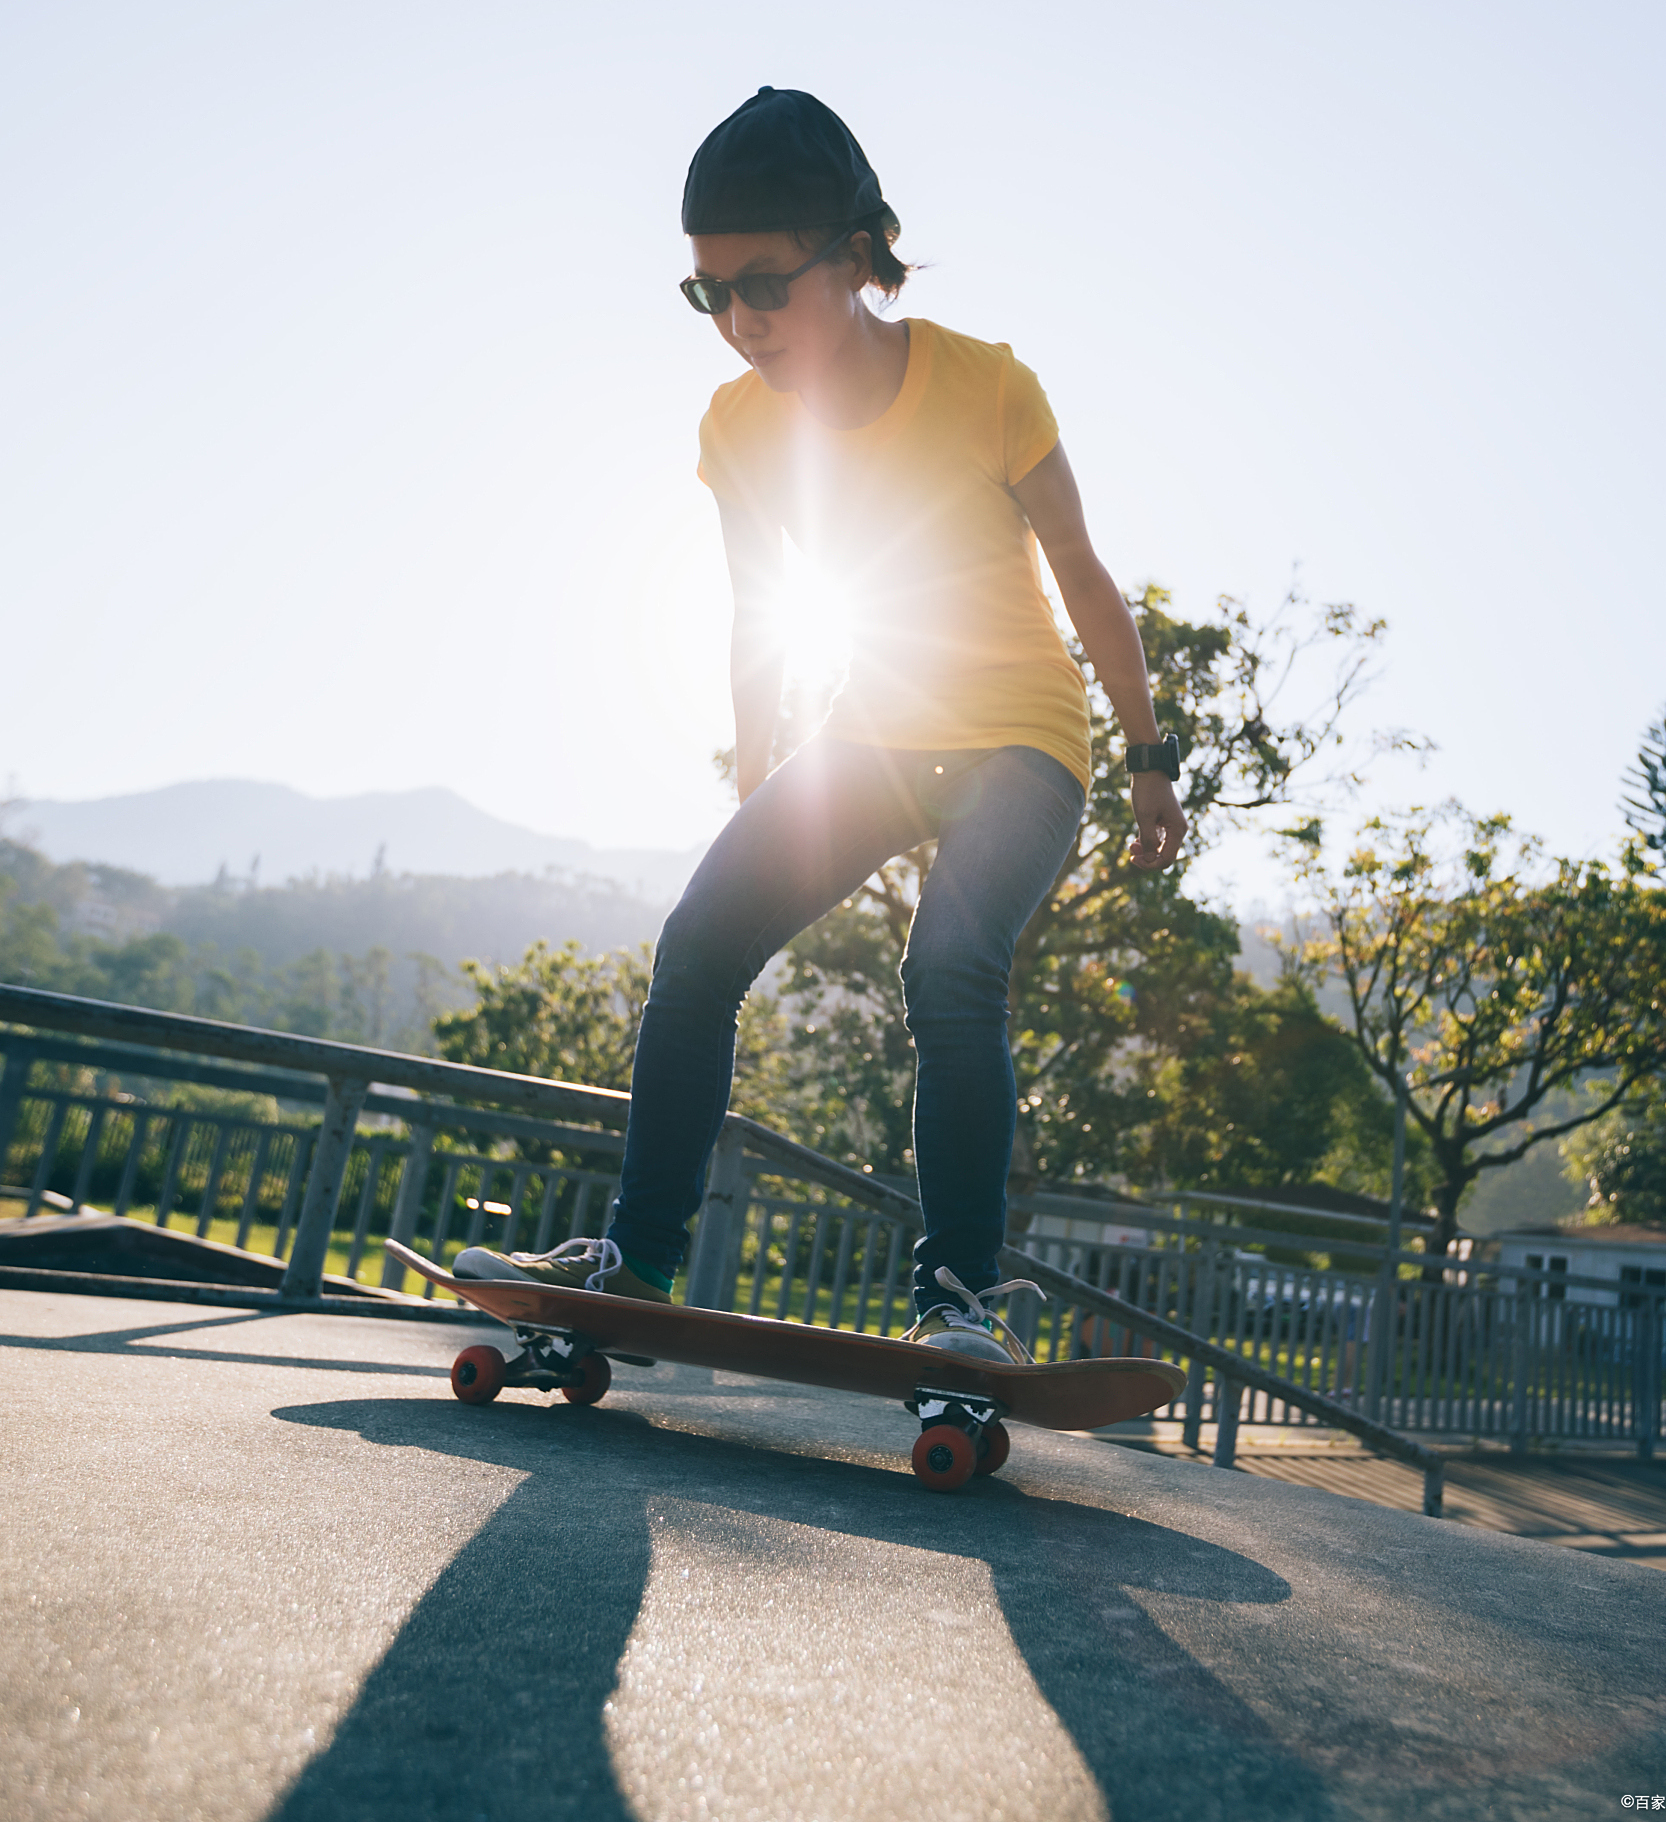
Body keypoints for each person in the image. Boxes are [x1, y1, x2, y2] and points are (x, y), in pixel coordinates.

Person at [456, 87, 1186, 1363]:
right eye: (708, 293)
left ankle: (957, 1299)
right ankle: (640, 1263)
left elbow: (1080, 573)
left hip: (1021, 740)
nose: (739, 321)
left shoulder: (985, 384)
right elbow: (758, 615)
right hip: (870, 739)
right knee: (697, 948)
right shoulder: (735, 427)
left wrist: (1147, 760)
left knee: (947, 967)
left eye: (763, 286)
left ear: (854, 259)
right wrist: (761, 783)